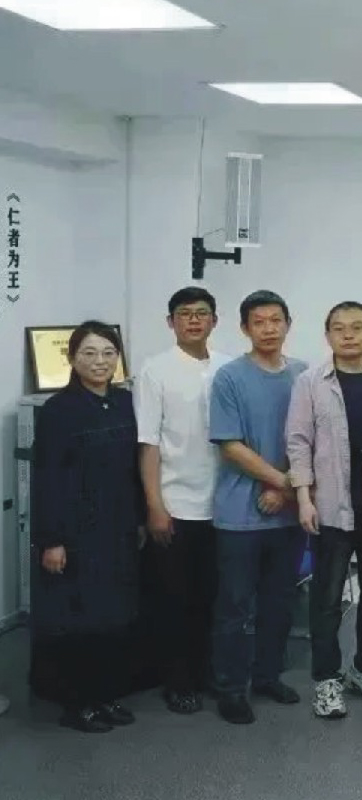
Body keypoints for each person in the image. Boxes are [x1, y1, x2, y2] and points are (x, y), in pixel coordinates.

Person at [31, 321, 142, 733]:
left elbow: (135, 468)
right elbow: (48, 479)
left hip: (118, 529)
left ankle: (106, 694)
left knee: (115, 618)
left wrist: (141, 519)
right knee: (79, 620)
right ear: (72, 358)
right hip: (76, 534)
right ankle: (78, 704)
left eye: (108, 353)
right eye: (89, 353)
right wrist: (52, 540)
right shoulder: (58, 410)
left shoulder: (125, 402)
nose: (100, 362)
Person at [286, 301, 362, 719]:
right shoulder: (310, 382)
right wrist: (303, 498)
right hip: (331, 507)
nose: (348, 335)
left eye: (357, 327)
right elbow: (298, 442)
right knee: (327, 600)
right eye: (338, 328)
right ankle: (326, 680)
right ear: (327, 334)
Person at [208, 291, 308, 725]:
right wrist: (280, 481)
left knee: (279, 603)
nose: (268, 329)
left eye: (275, 320)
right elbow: (230, 445)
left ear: (288, 324)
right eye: (259, 322)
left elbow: (311, 440)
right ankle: (231, 687)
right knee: (235, 606)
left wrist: (284, 492)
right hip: (239, 515)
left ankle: (268, 676)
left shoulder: (304, 375)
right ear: (245, 328)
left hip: (289, 513)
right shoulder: (230, 377)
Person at [134, 286, 231, 715]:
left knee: (213, 596)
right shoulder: (154, 370)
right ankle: (178, 680)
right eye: (185, 313)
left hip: (224, 504)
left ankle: (208, 671)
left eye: (202, 313)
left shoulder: (229, 367)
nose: (194, 320)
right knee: (175, 598)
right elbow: (149, 443)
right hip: (175, 502)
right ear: (170, 322)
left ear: (215, 321)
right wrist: (155, 505)